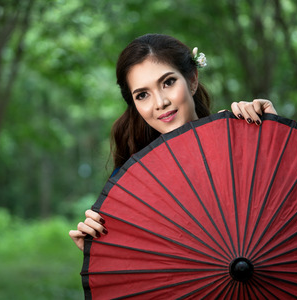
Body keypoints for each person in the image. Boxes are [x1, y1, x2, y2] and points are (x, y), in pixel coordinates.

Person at [69, 33, 277, 251]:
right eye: (142, 95)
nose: (160, 102)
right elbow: (144, 271)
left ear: (193, 80)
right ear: (135, 106)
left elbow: (294, 203)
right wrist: (102, 254)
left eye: (168, 82)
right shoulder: (135, 181)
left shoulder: (240, 139)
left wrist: (274, 134)